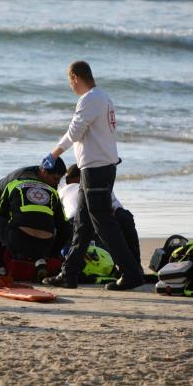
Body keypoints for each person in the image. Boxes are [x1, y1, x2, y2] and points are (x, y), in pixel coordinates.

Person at [41, 61, 143, 290]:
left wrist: (54, 153)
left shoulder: (90, 99)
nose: (71, 86)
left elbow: (74, 132)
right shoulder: (103, 98)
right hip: (96, 168)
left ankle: (131, 272)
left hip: (96, 170)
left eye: (70, 81)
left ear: (76, 77)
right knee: (83, 224)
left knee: (103, 224)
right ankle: (69, 273)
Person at [59, 164, 143, 275]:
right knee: (124, 218)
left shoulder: (62, 189)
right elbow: (119, 212)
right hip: (103, 225)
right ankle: (135, 266)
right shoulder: (100, 185)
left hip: (77, 226)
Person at [0, 177, 71, 282]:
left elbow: (1, 215)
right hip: (46, 244)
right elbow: (65, 227)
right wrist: (53, 252)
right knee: (51, 226)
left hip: (19, 240)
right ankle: (42, 259)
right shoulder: (52, 190)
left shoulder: (12, 185)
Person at [0, 159, 67, 218]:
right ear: (44, 171)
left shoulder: (47, 180)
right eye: (55, 178)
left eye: (60, 179)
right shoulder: (24, 179)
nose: (58, 183)